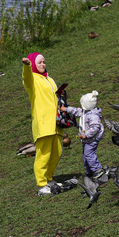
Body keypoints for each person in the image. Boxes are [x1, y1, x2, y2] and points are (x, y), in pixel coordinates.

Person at [22, 52, 63, 196]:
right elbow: (26, 78)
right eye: (39, 62)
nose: (42, 64)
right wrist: (27, 67)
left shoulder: (49, 79)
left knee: (57, 152)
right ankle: (41, 185)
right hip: (44, 124)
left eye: (44, 62)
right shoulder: (32, 80)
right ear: (33, 64)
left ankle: (49, 179)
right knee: (43, 155)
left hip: (56, 122)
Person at [59, 90, 105, 179]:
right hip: (87, 140)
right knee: (85, 155)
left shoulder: (93, 116)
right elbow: (76, 111)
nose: (80, 106)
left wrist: (86, 135)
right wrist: (66, 109)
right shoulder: (85, 112)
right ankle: (90, 172)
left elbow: (95, 128)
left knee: (89, 154)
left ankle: (97, 170)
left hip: (92, 139)